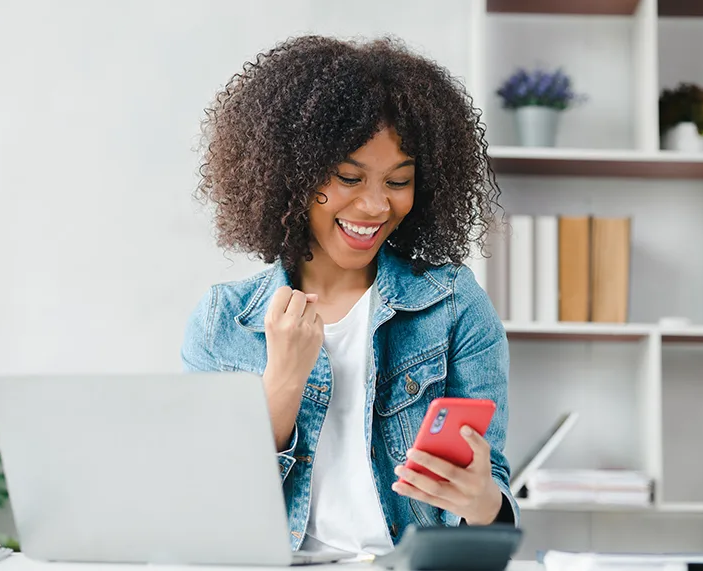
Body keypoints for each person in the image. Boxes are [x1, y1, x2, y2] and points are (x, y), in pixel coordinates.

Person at [181, 35, 517, 557]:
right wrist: (283, 383)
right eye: (348, 177)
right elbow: (208, 510)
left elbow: (488, 514)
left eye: (399, 180)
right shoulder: (223, 321)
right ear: (291, 174)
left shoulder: (453, 306)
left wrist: (482, 502)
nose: (375, 205)